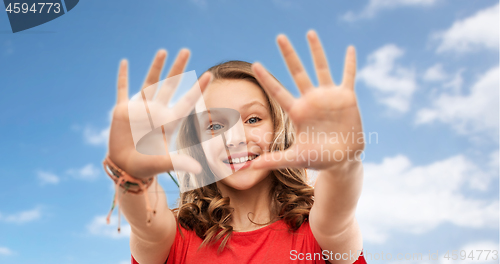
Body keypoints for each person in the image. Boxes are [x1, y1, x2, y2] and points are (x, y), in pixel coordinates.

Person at [105, 30, 367, 264]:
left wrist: (342, 161)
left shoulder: (320, 230)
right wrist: (132, 176)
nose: (235, 138)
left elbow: (339, 213)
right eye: (215, 126)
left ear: (279, 128)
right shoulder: (171, 239)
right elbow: (145, 224)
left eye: (253, 119)